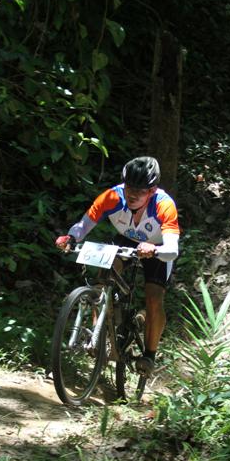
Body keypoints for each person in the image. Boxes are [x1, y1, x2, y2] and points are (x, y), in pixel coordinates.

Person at [55, 156, 180, 375]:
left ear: (152, 191)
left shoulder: (164, 205)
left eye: (140, 191)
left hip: (156, 247)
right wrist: (71, 238)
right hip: (125, 241)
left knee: (153, 296)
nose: (132, 195)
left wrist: (154, 250)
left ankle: (149, 355)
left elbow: (172, 250)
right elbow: (84, 224)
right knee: (103, 277)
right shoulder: (112, 196)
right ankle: (98, 335)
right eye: (129, 187)